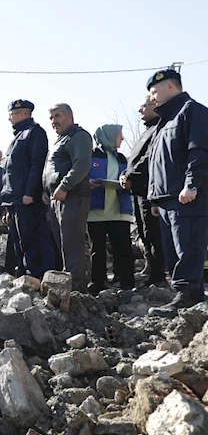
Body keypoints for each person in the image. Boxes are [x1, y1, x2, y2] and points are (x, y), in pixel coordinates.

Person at [145, 70, 208, 315]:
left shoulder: (192, 111)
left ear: (170, 86)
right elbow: (159, 163)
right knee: (172, 251)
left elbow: (199, 151)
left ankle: (189, 296)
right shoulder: (164, 122)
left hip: (187, 196)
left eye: (154, 92)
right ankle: (183, 298)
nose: (152, 98)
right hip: (166, 198)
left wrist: (191, 184)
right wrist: (155, 197)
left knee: (188, 247)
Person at [42, 104, 92, 293]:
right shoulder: (58, 141)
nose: (54, 121)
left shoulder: (78, 136)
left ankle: (77, 290)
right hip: (56, 199)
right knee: (63, 244)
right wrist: (45, 190)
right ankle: (66, 288)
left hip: (72, 196)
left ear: (70, 116)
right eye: (51, 117)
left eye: (58, 116)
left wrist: (64, 186)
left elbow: (81, 164)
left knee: (72, 243)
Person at [1, 100, 54, 278]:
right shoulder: (18, 136)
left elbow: (36, 164)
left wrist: (30, 192)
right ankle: (23, 273)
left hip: (26, 198)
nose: (9, 118)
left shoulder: (34, 133)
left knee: (30, 239)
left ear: (24, 114)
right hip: (15, 197)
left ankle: (35, 275)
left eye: (12, 115)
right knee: (18, 240)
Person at [120, 95, 167, 286]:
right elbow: (134, 159)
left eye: (143, 106)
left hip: (151, 190)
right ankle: (152, 272)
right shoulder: (146, 131)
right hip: (139, 191)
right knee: (144, 233)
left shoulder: (160, 128)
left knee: (153, 233)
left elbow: (149, 158)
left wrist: (131, 176)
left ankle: (158, 276)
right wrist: (125, 174)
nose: (139, 110)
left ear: (155, 106)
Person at [87, 124, 135, 292]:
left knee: (123, 248)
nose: (122, 138)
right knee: (97, 250)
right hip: (96, 211)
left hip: (120, 211)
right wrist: (88, 183)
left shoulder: (122, 158)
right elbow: (80, 176)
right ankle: (97, 283)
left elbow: (132, 178)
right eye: (119, 135)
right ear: (109, 136)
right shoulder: (90, 156)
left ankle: (126, 282)